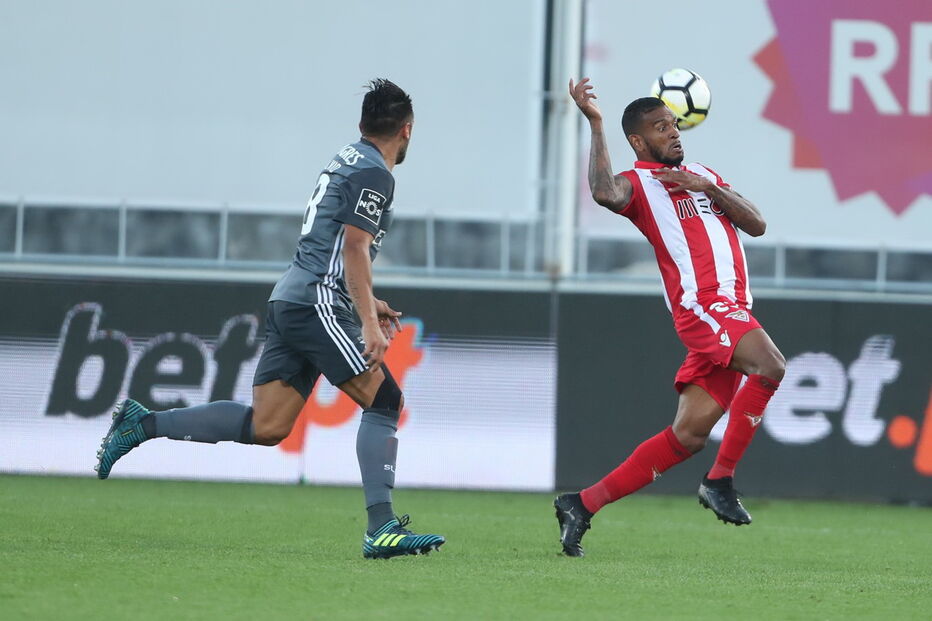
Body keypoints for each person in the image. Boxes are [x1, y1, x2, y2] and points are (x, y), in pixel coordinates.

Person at [95, 78, 445, 559]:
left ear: (363, 123)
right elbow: (354, 246)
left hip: (293, 298)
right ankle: (381, 527)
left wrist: (368, 301)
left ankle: (143, 423)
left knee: (267, 425)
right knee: (384, 398)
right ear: (407, 130)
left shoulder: (347, 158)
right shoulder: (376, 173)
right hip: (316, 303)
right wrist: (367, 320)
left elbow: (331, 246)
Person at [554, 78, 786, 557]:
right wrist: (595, 124)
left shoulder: (701, 173)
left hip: (733, 308)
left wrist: (709, 187)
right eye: (661, 128)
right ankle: (719, 481)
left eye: (674, 124)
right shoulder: (639, 185)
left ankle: (581, 504)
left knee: (689, 436)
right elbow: (603, 191)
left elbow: (757, 224)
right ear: (638, 142)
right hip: (703, 306)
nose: (674, 132)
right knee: (771, 366)